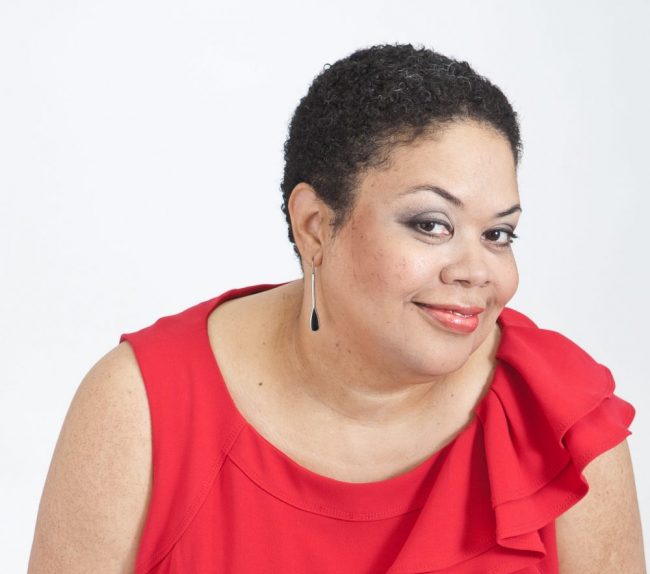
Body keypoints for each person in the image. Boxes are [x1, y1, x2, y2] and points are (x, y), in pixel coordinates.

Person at [28, 44, 645, 573]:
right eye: (431, 224)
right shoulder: (142, 408)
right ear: (315, 225)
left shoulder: (561, 423)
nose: (477, 271)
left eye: (498, 234)